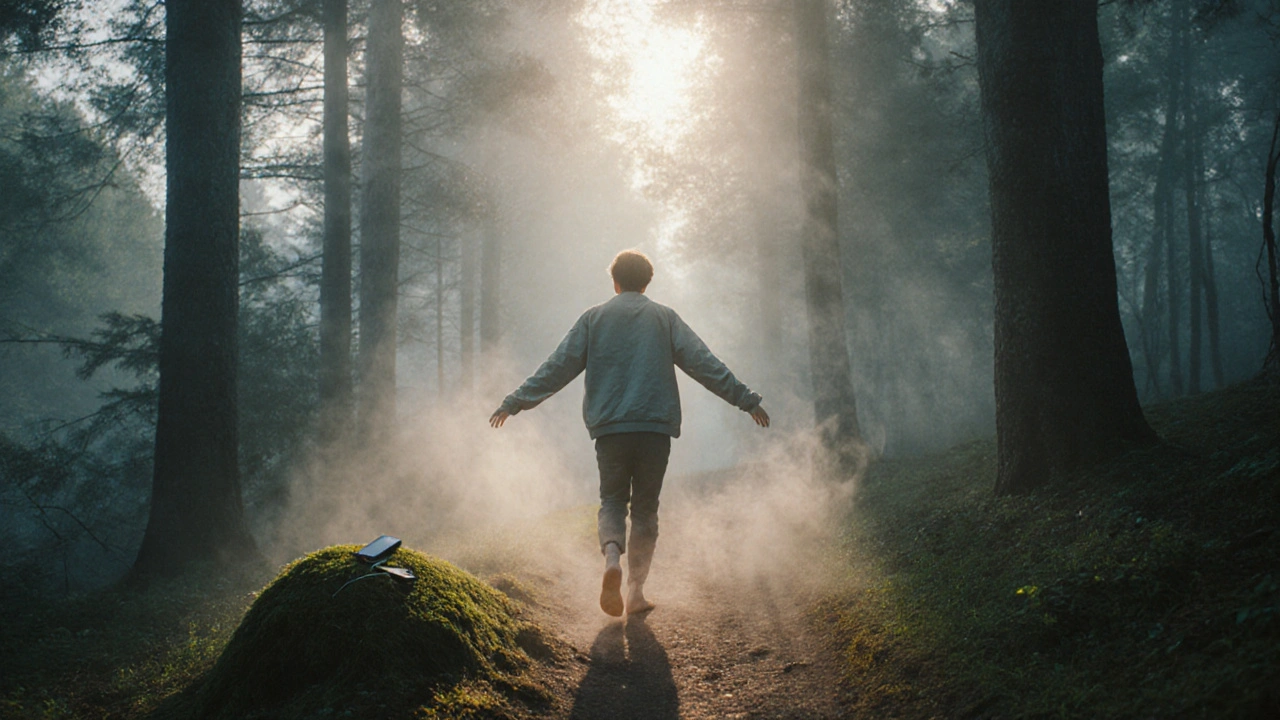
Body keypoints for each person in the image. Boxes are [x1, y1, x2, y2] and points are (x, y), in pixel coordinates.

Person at [489, 249, 769, 617]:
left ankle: (611, 560)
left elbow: (557, 367)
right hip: (654, 429)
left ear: (615, 282)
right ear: (647, 282)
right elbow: (704, 363)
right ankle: (635, 591)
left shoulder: (594, 319)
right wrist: (745, 400)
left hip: (610, 431)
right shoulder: (664, 318)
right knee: (646, 509)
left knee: (612, 501)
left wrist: (515, 401)